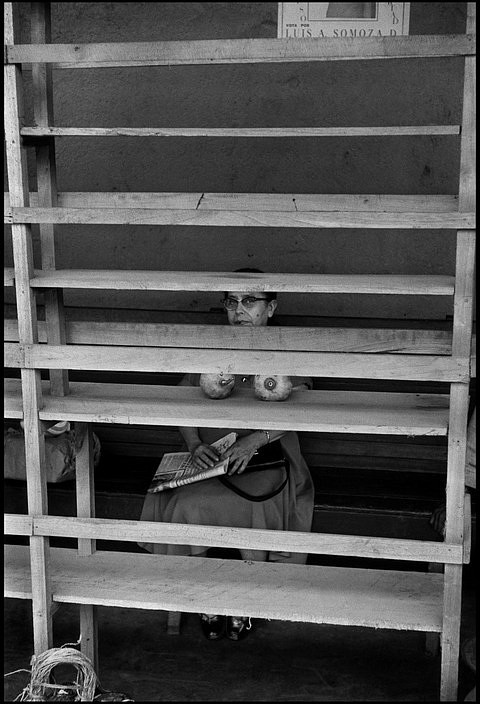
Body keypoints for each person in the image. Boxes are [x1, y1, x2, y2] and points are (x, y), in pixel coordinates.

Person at [139, 270, 315, 641]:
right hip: (209, 462)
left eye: (250, 301)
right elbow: (183, 399)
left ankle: (246, 601)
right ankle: (205, 597)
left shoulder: (289, 346)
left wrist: (252, 442)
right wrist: (193, 445)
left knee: (257, 507)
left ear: (272, 307)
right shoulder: (212, 345)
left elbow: (301, 407)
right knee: (189, 503)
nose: (240, 310)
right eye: (232, 302)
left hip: (265, 460)